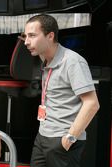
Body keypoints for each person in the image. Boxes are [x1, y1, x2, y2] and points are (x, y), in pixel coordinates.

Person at [21, 14, 100, 167]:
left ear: (50, 36)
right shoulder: (45, 59)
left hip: (62, 139)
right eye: (25, 36)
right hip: (43, 135)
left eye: (32, 36)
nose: (26, 42)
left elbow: (92, 103)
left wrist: (70, 138)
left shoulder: (72, 61)